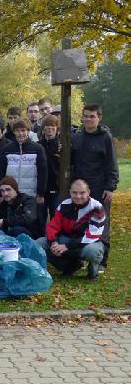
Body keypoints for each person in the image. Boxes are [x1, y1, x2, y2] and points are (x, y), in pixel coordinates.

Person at [71, 104, 118, 272]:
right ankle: (83, 257)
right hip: (80, 190)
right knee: (81, 224)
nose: (88, 119)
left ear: (99, 118)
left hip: (100, 188)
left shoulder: (105, 137)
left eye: (92, 116)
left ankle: (101, 261)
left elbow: (112, 164)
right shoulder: (77, 137)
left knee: (101, 225)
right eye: (85, 116)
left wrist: (110, 187)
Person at [35, 180, 106, 280]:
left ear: (88, 192)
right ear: (70, 192)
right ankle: (70, 265)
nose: (78, 196)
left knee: (93, 251)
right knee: (38, 244)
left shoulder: (97, 208)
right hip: (66, 239)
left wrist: (67, 246)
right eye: (74, 192)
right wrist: (54, 243)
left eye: (82, 193)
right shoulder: (64, 205)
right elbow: (53, 226)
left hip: (87, 242)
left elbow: (92, 235)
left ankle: (93, 271)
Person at [0, 119, 47, 212]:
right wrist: (0, 193)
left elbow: (43, 172)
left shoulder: (37, 148)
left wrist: (41, 193)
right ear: (14, 132)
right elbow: (1, 171)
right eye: (18, 131)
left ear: (28, 131)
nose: (21, 133)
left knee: (30, 221)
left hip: (31, 194)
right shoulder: (7, 149)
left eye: (23, 130)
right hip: (11, 194)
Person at [39, 115, 62, 221]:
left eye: (53, 125)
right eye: (47, 125)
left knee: (56, 218)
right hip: (41, 189)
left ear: (57, 128)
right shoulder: (38, 146)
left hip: (56, 188)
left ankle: (55, 237)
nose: (50, 128)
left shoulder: (61, 145)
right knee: (40, 218)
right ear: (43, 128)